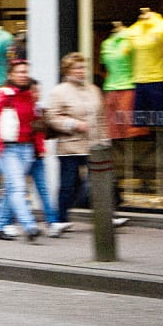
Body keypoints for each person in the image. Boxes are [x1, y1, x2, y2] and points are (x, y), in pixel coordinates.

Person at [45, 53, 109, 236]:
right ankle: (60, 219)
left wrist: (105, 140)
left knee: (98, 182)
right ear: (68, 70)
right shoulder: (59, 91)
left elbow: (101, 118)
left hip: (93, 144)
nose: (81, 71)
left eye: (83, 67)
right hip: (70, 146)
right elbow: (52, 117)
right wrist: (74, 124)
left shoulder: (93, 90)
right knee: (68, 185)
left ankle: (105, 217)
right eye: (77, 68)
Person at [0, 59, 46, 242]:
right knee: (18, 188)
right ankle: (29, 226)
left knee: (10, 189)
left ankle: (0, 225)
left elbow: (35, 123)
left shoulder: (30, 94)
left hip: (26, 148)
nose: (23, 75)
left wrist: (39, 147)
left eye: (25, 72)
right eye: (19, 72)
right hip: (7, 148)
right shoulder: (4, 93)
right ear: (10, 75)